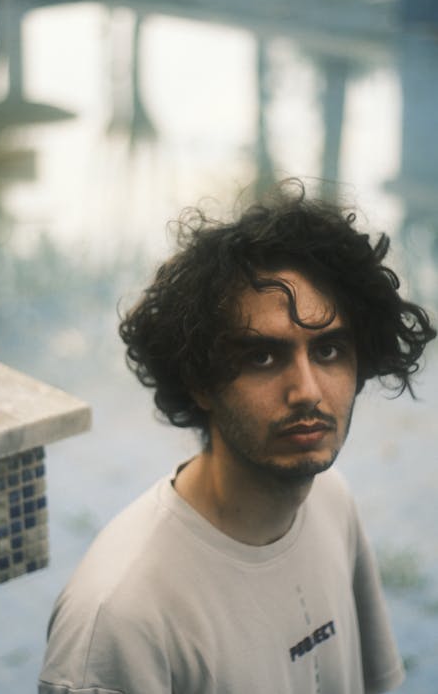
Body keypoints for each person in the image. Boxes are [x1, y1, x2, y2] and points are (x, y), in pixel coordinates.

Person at [39, 182, 436, 694]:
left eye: (330, 351)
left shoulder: (333, 503)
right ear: (200, 381)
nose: (307, 391)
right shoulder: (119, 620)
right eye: (263, 357)